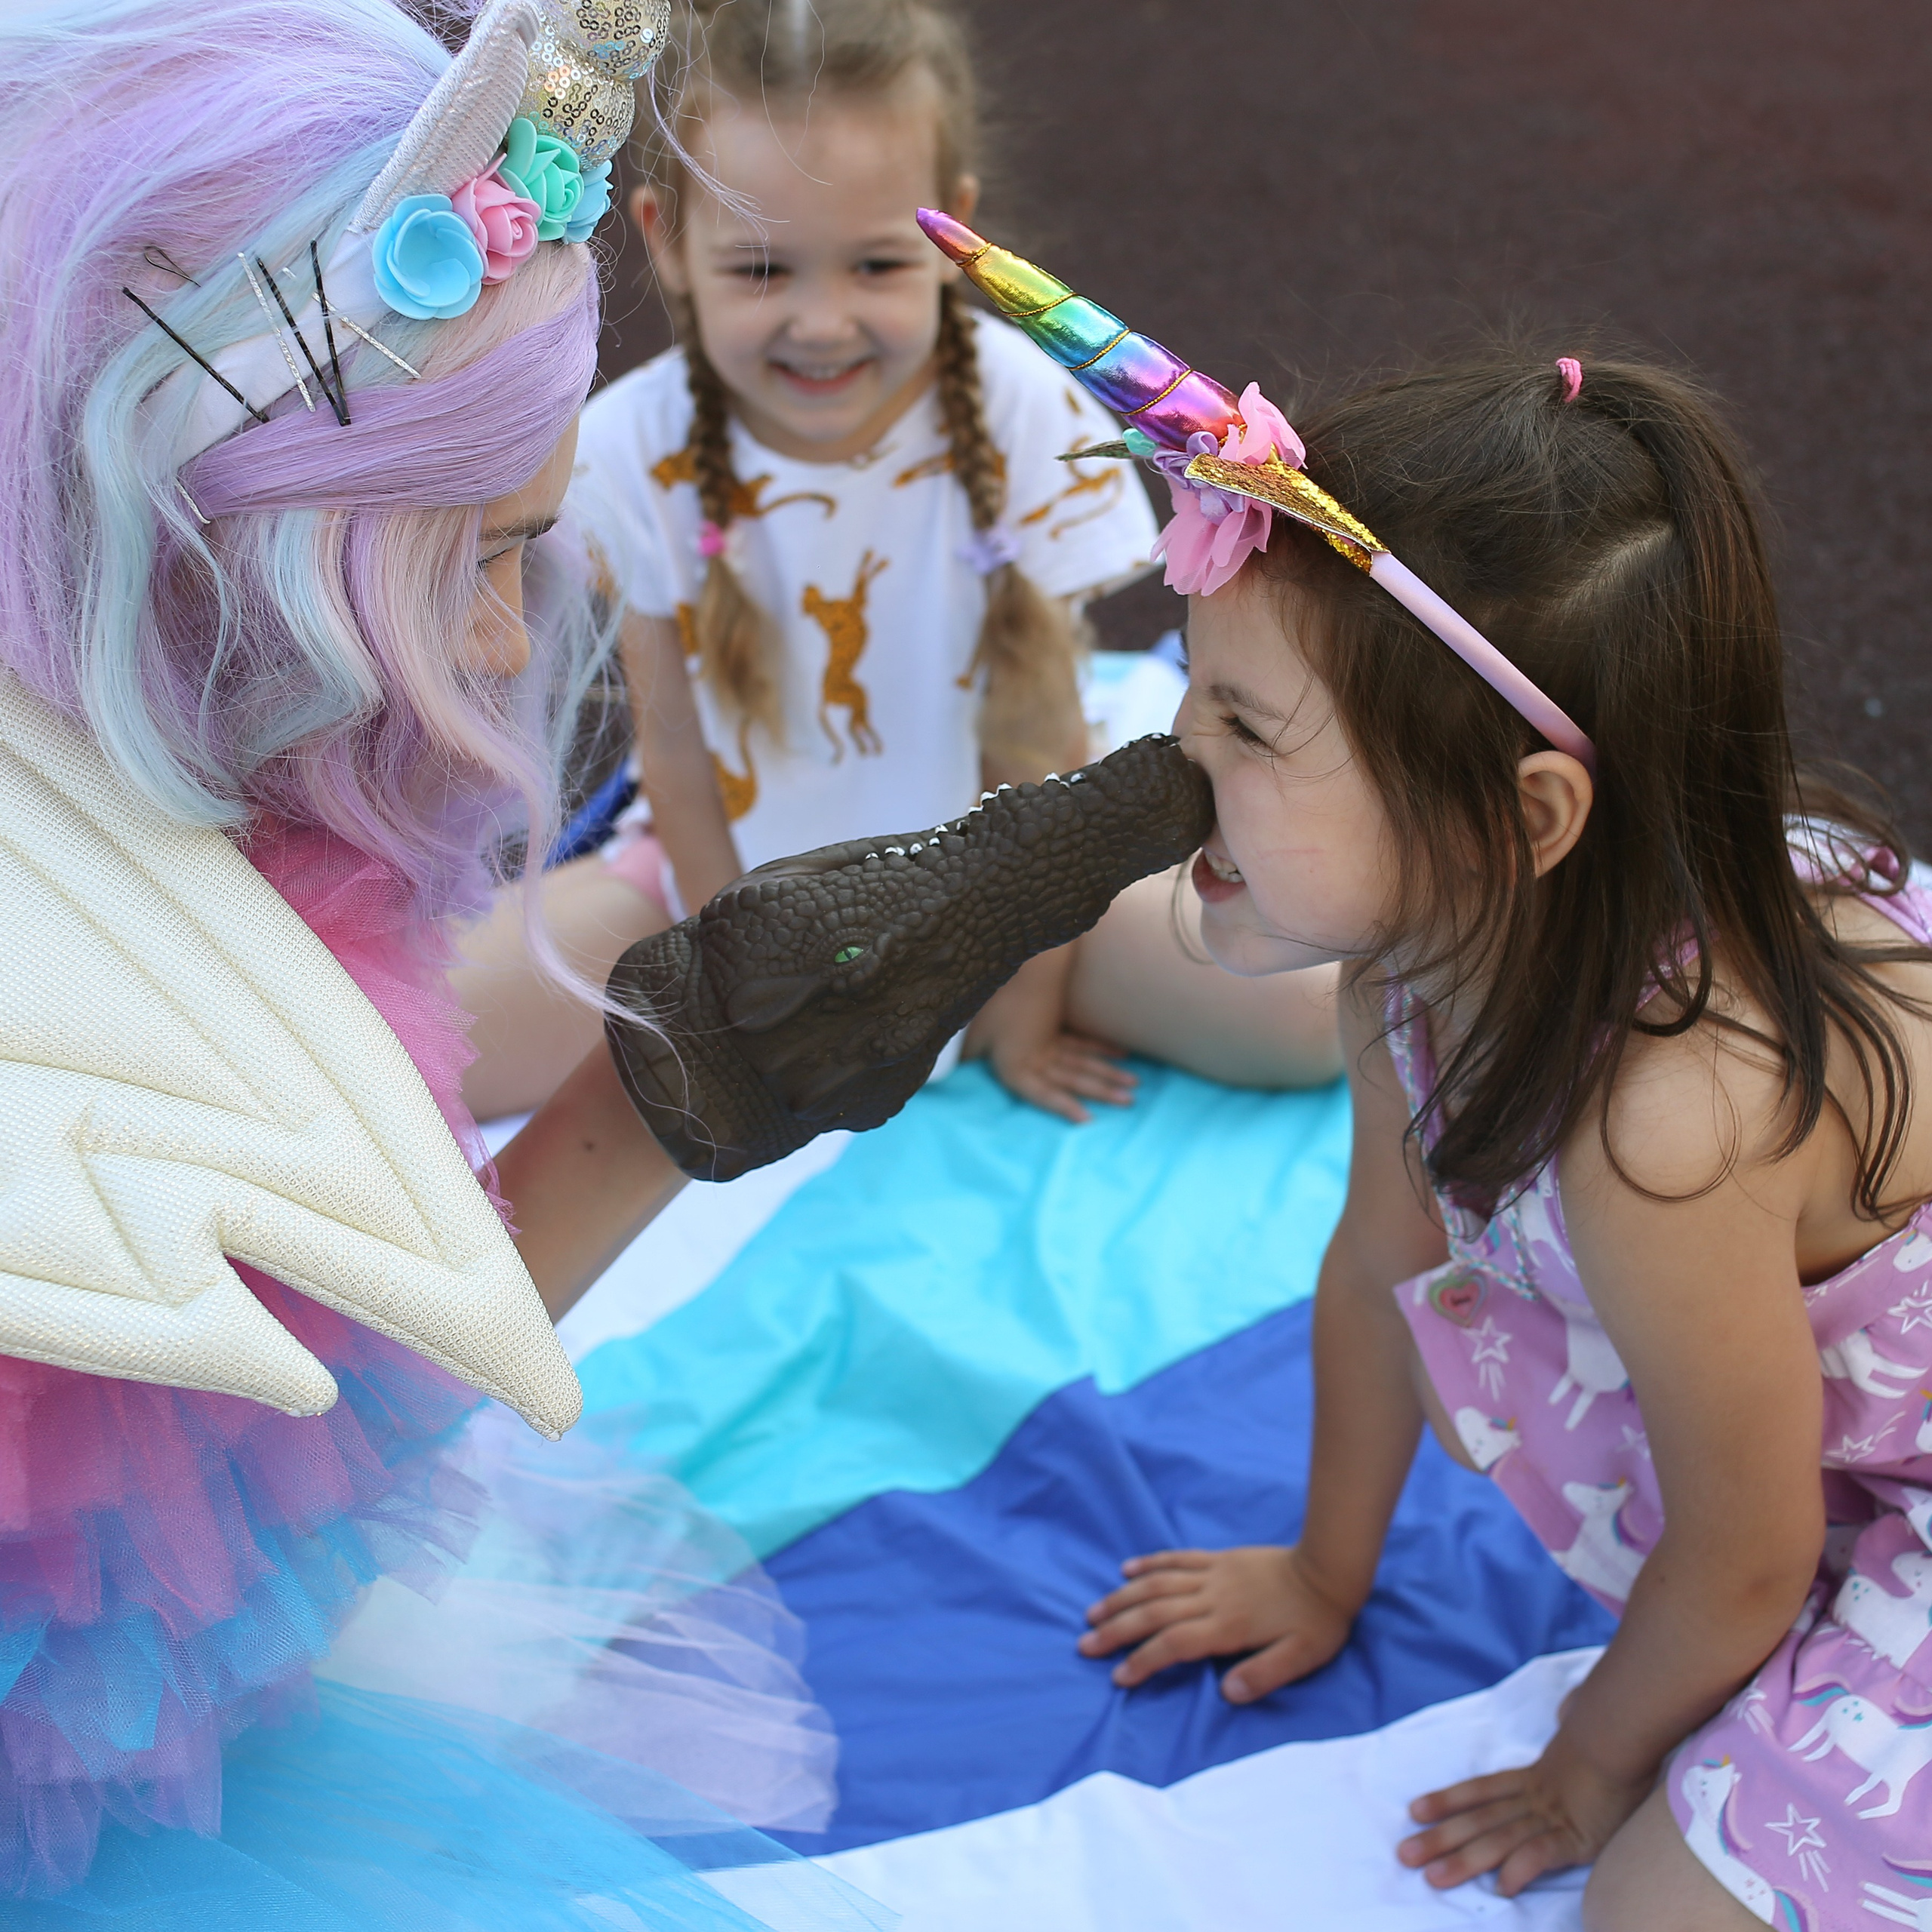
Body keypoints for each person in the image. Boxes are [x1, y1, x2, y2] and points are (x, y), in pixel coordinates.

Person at [0, 0, 905, 1921]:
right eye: (463, 557)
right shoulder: (86, 994)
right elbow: (298, 1438)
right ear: (224, 551)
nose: (507, 646)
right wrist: (668, 1103)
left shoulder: (214, 784)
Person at [983, 254, 1932, 1925]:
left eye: (1246, 729)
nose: (1173, 758)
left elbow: (1745, 1548)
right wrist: (1320, 1566)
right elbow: (1380, 1257)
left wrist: (1585, 1761)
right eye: (1192, 694)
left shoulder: (1662, 1133)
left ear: (1524, 818)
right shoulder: (1407, 956)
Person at [451, 0, 1341, 1124]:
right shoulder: (632, 446)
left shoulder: (1021, 411)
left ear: (953, 232)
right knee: (410, 1045)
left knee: (1311, 1014)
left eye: (876, 264)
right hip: (719, 885)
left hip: (995, 884)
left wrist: (1023, 994)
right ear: (667, 237)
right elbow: (674, 754)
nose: (823, 324)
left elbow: (1040, 738)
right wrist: (756, 989)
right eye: (766, 269)